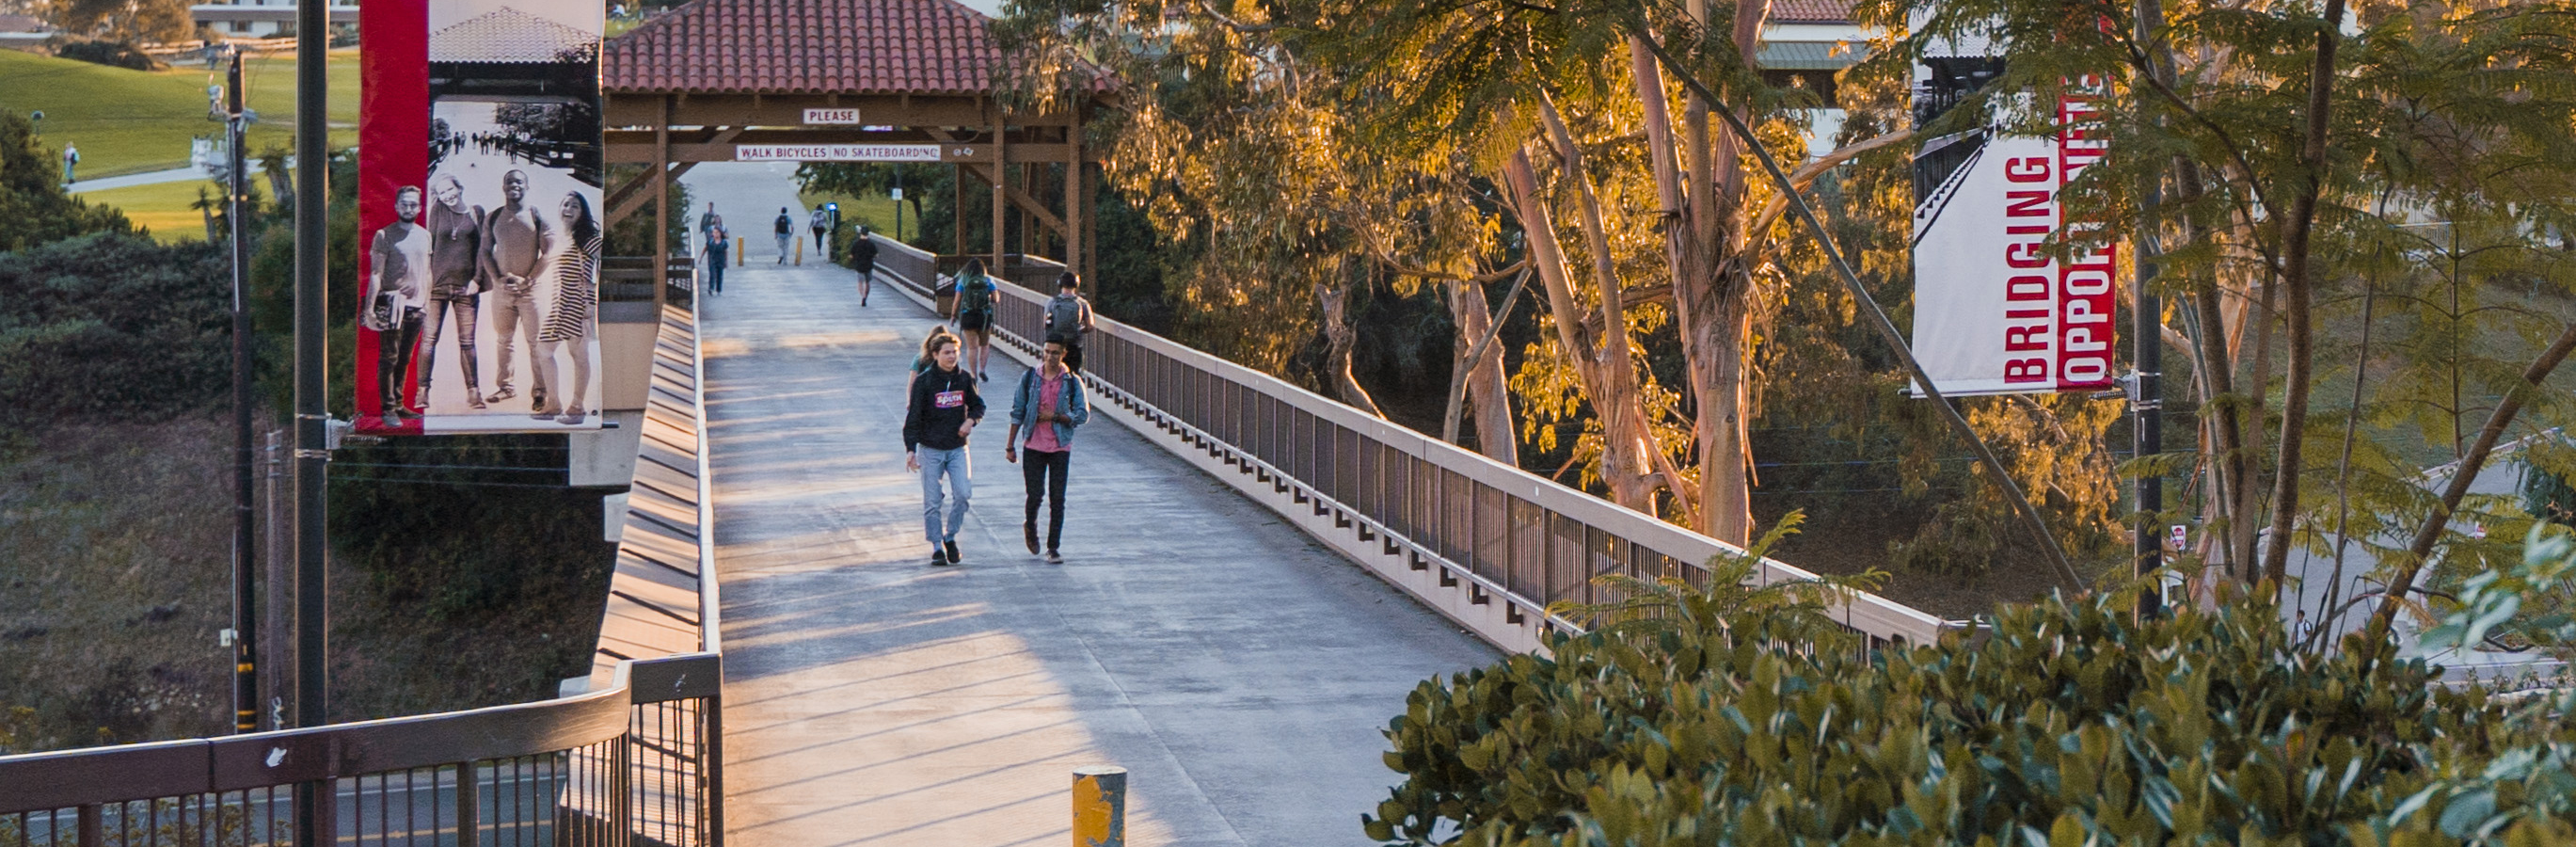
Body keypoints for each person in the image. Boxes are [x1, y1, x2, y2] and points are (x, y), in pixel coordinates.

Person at [480, 169, 558, 414]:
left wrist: (528, 279)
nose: (514, 185)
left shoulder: (537, 216)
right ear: (503, 187)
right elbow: (485, 251)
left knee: (535, 343)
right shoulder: (493, 217)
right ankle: (506, 386)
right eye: (509, 182)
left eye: (519, 182)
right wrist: (497, 279)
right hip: (503, 292)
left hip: (531, 291)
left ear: (526, 186)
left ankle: (540, 392)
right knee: (504, 340)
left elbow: (549, 253)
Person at [1007, 339, 1090, 563]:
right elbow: (1017, 411)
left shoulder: (1072, 382)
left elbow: (1083, 414)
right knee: (1035, 494)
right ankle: (1030, 526)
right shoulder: (1030, 379)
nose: (1050, 356)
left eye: (1055, 352)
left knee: (1057, 498)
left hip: (1060, 445)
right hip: (1034, 443)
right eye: (1047, 351)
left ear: (1063, 354)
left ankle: (1053, 547)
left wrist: (1058, 417)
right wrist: (1010, 445)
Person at [904, 334, 984, 567]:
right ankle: (937, 546)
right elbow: (913, 419)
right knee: (932, 501)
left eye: (955, 352)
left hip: (958, 448)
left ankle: (950, 536)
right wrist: (911, 450)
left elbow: (978, 406)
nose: (952, 357)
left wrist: (971, 421)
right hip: (931, 449)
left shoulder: (964, 379)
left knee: (962, 494)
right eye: (947, 352)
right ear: (936, 354)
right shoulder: (925, 381)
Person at [421, 174, 487, 409]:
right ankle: (422, 391)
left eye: (450, 189)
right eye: (441, 192)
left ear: (460, 187)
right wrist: (427, 280)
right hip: (436, 287)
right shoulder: (437, 210)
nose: (447, 195)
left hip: (465, 288)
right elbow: (429, 247)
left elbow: (483, 249)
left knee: (467, 342)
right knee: (428, 340)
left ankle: (474, 392)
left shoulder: (476, 212)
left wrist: (477, 280)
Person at [364, 186, 430, 424]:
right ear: (396, 206)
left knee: (405, 358)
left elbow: (427, 272)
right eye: (404, 204)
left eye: (413, 204)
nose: (409, 208)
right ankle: (388, 409)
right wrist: (369, 310)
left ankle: (400, 403)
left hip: (417, 307)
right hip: (393, 305)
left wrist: (427, 303)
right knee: (389, 357)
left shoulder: (424, 235)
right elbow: (375, 273)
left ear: (420, 207)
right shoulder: (384, 235)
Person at [537, 192, 601, 425]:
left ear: (582, 212)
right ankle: (553, 403)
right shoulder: (560, 237)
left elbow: (608, 262)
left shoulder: (588, 237)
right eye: (565, 204)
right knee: (543, 350)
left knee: (578, 355)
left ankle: (577, 407)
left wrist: (594, 286)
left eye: (575, 206)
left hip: (578, 303)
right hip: (558, 304)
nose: (569, 209)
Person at [951, 258, 998, 382]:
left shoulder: (963, 281)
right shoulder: (988, 280)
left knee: (972, 348)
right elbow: (996, 298)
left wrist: (952, 316)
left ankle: (973, 374)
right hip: (984, 316)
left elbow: (957, 301)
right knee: (984, 344)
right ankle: (982, 370)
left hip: (968, 315)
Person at [1042, 272, 1096, 374]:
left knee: (1055, 373)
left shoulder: (1052, 302)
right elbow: (1090, 326)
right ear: (1076, 285)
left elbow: (1045, 324)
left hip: (1056, 346)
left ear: (1060, 284)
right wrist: (1079, 329)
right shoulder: (1082, 303)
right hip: (1074, 344)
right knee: (1074, 374)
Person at [850, 225, 879, 307]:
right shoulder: (871, 244)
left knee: (860, 282)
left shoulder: (856, 243)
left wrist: (853, 258)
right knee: (867, 282)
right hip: (868, 265)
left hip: (859, 265)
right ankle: (866, 297)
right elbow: (876, 255)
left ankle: (862, 296)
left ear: (860, 233)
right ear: (868, 233)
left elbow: (852, 255)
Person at [704, 218, 729, 294]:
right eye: (714, 233)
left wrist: (726, 262)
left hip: (720, 260)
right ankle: (711, 288)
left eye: (717, 232)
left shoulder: (724, 242)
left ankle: (719, 289)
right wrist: (701, 258)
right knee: (712, 274)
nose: (716, 234)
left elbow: (726, 252)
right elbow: (705, 249)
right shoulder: (710, 242)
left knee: (719, 275)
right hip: (713, 260)